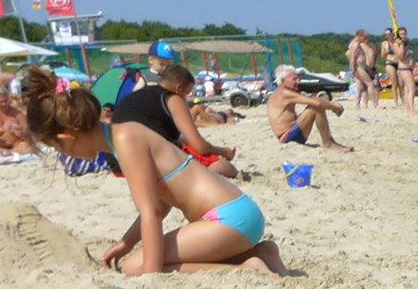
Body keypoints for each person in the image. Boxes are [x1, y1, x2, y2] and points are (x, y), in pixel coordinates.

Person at [16, 66, 284, 275]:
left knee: (136, 267)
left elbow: (151, 213)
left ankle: (245, 269)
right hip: (237, 213)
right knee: (141, 260)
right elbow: (161, 203)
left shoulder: (124, 140)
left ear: (65, 138)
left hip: (226, 221)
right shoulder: (123, 135)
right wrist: (127, 242)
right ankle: (263, 253)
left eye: (55, 147)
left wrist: (151, 274)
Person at [141, 65, 240, 179]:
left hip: (130, 156)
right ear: (178, 88)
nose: (187, 96)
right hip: (162, 154)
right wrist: (223, 151)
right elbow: (198, 145)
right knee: (225, 167)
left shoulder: (140, 96)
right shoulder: (172, 99)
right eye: (187, 92)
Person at [267, 65, 353, 152]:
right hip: (287, 137)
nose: (298, 81)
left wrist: (330, 104)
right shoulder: (284, 93)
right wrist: (334, 107)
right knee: (315, 107)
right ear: (283, 81)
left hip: (288, 134)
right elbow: (316, 102)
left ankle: (329, 142)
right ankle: (328, 143)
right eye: (294, 79)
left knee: (316, 105)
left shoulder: (280, 92)